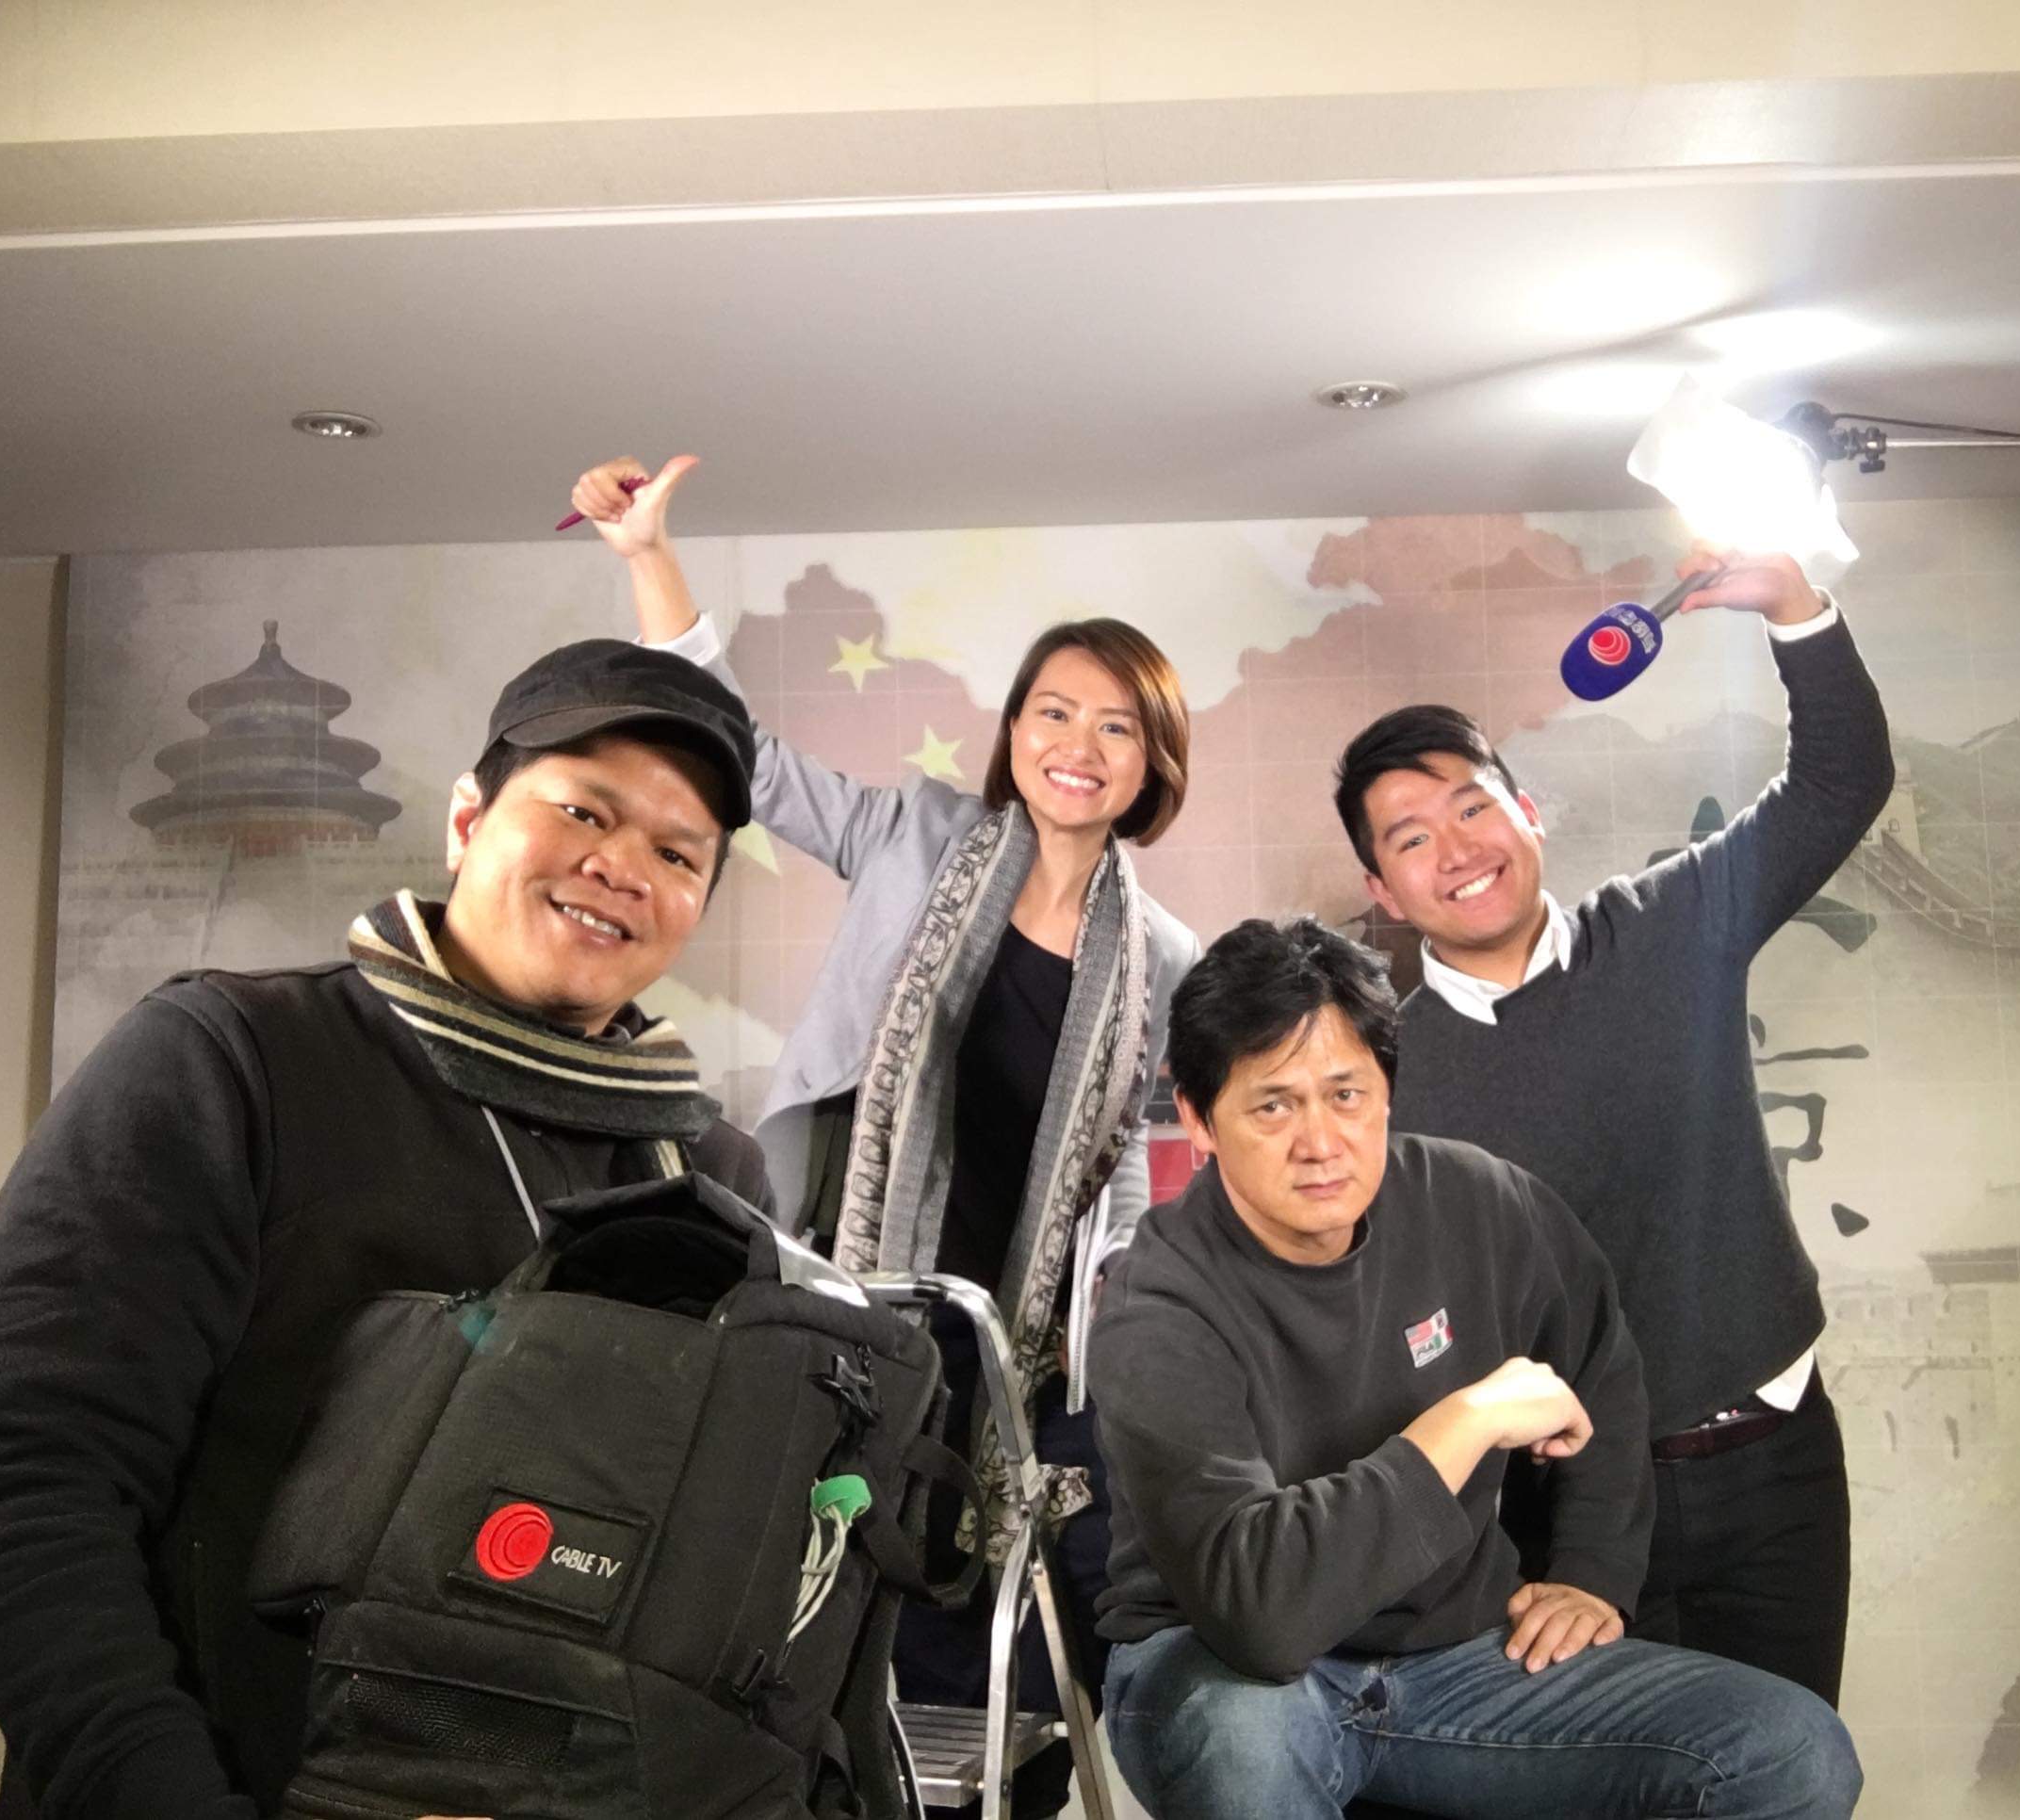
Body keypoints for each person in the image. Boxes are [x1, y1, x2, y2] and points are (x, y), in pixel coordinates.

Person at [0, 641, 772, 1820]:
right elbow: (21, 1495)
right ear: (467, 821)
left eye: (678, 854)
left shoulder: (710, 1179)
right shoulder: (231, 1063)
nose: (621, 865)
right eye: (583, 809)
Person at [567, 455, 1200, 1813]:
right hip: (851, 1288)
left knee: (997, 1604)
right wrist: (648, 558)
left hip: (1019, 1344)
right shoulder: (915, 836)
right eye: (1052, 711)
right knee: (817, 1579)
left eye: (1115, 727)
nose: (1077, 745)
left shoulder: (1165, 959)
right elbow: (741, 752)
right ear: (1013, 729)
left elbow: (1154, 1174)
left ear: (1152, 762)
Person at [1088, 916, 1862, 1818]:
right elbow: (1262, 1619)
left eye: (1346, 1094)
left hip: (1452, 1665)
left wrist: (1592, 1571)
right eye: (1273, 1106)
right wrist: (1466, 1420)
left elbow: (1600, 1361)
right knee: (1246, 1746)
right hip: (1222, 1675)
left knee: (1789, 1751)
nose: (1320, 1141)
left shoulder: (1477, 1201)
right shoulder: (1157, 1301)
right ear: (1198, 1118)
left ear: (1386, 1090)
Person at [1330, 547, 1894, 1704]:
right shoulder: (1381, 1077)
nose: (1457, 849)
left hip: (1770, 1461)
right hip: (1558, 1519)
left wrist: (1790, 605)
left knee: (1783, 1765)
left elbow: (1840, 783)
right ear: (1383, 893)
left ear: (1527, 813)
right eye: (1410, 837)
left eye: (1472, 806)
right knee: (1605, 1780)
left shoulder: (1670, 924)